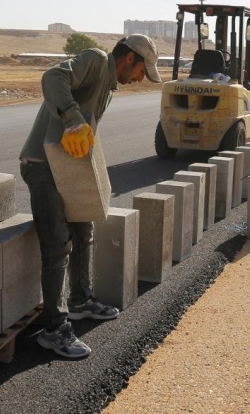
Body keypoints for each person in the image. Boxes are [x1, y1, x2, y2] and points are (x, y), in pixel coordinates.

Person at [19, 34, 161, 358]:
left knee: (84, 228)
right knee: (57, 245)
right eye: (141, 71)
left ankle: (80, 300)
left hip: (68, 167)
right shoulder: (97, 61)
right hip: (43, 167)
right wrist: (72, 118)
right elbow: (52, 76)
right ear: (130, 59)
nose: (140, 79)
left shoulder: (109, 84)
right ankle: (54, 329)